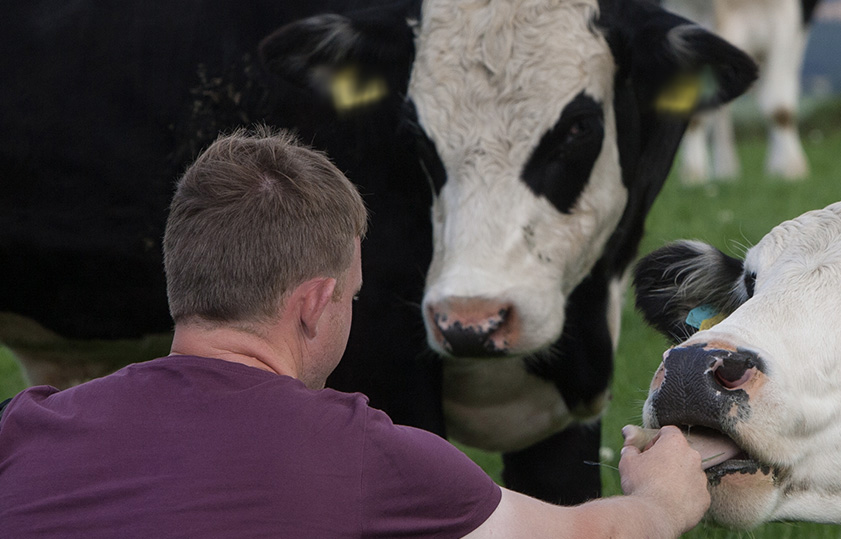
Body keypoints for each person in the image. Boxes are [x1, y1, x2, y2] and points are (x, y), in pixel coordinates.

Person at [0, 128, 709, 538]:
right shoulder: (372, 459)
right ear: (314, 305)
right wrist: (663, 499)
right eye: (354, 297)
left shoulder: (24, 429)